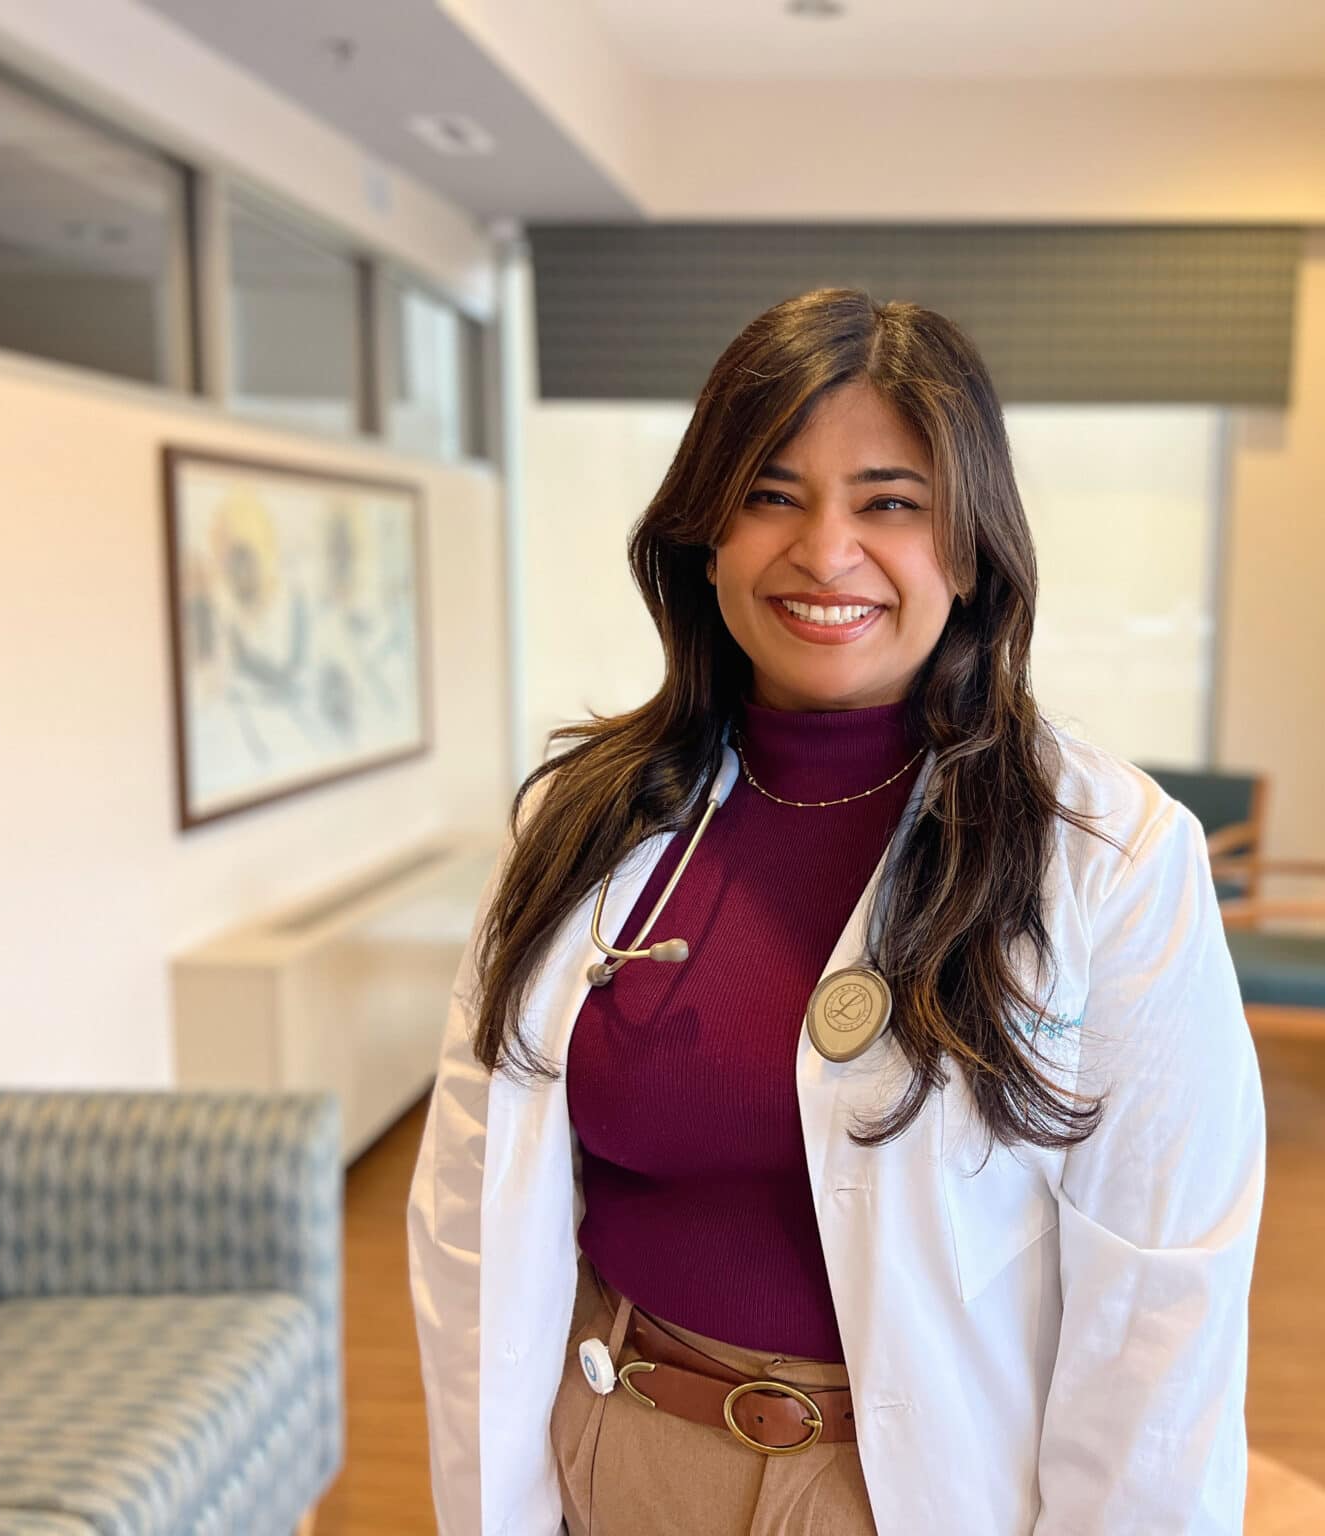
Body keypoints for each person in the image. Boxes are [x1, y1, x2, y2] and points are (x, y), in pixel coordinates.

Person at [408, 287, 1265, 1536]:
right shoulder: (583, 819)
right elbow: (467, 1213)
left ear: (968, 551)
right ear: (706, 533)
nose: (823, 550)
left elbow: (1161, 1313)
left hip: (899, 1492)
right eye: (769, 493)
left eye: (889, 502)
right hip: (614, 1447)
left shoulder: (1107, 856)